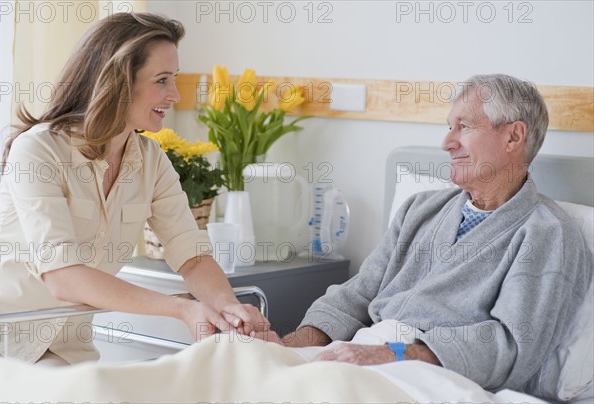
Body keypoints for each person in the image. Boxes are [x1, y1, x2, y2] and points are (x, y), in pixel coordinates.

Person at [253, 74, 592, 392]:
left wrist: (395, 353)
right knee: (241, 366)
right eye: (449, 127)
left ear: (513, 137)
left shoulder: (547, 234)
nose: (446, 142)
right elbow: (358, 293)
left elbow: (509, 345)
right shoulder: (421, 210)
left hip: (432, 372)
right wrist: (290, 347)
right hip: (362, 353)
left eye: (464, 126)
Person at [0, 12, 268, 366]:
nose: (174, 95)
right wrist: (181, 309)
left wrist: (228, 308)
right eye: (162, 80)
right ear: (119, 83)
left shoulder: (152, 161)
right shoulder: (39, 150)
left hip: (65, 349)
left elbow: (192, 255)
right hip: (3, 341)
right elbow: (63, 276)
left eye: (175, 79)